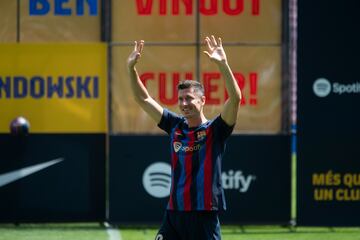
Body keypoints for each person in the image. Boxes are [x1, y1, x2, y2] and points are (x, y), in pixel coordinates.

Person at [127, 35, 242, 240]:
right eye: (180, 99)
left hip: (203, 215)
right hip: (174, 213)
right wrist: (131, 69)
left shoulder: (216, 130)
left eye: (189, 98)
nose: (183, 103)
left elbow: (235, 98)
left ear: (202, 100)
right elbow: (143, 99)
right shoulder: (175, 125)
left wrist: (223, 65)